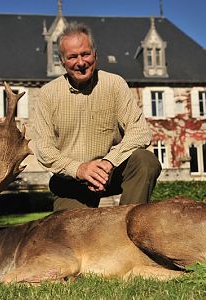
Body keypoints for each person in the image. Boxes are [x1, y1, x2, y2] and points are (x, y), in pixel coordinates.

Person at [34, 22, 161, 211]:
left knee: (146, 161)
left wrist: (108, 162)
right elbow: (44, 150)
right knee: (70, 237)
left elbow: (140, 132)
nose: (80, 62)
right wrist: (79, 169)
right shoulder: (47, 95)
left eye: (85, 54)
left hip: (113, 172)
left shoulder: (114, 84)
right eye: (72, 57)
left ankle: (127, 225)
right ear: (62, 61)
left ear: (95, 55)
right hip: (72, 183)